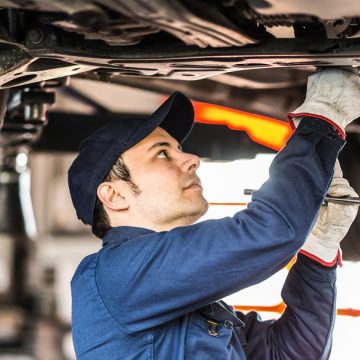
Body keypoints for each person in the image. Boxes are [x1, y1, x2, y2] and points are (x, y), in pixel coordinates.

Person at [68, 68, 359, 359]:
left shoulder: (179, 300)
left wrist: (317, 250)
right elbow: (268, 232)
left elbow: (290, 352)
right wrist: (322, 119)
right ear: (115, 196)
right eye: (161, 153)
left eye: (179, 148)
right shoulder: (115, 275)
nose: (193, 159)